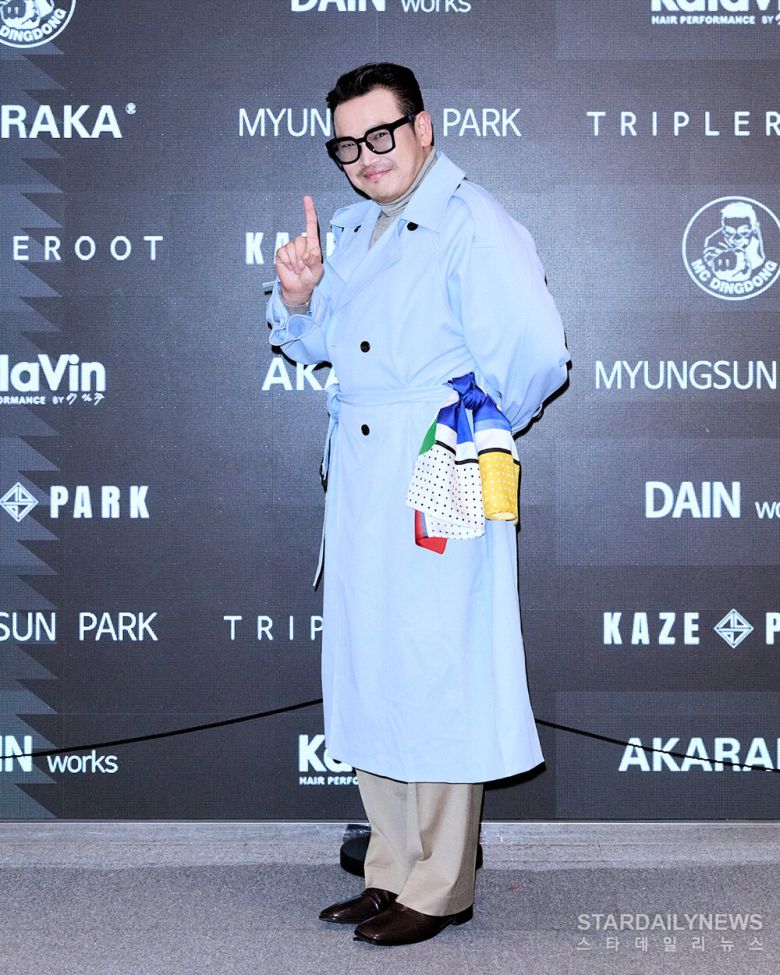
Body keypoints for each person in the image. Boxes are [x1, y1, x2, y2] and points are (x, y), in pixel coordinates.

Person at [266, 63, 569, 947]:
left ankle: (441, 885)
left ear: (423, 128)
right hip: (362, 476)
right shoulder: (352, 228)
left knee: (437, 664)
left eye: (381, 135)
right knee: (373, 663)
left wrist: (471, 426)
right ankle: (390, 868)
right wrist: (297, 296)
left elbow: (536, 354)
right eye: (347, 145)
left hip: (440, 464)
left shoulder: (474, 221)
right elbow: (315, 343)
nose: (366, 156)